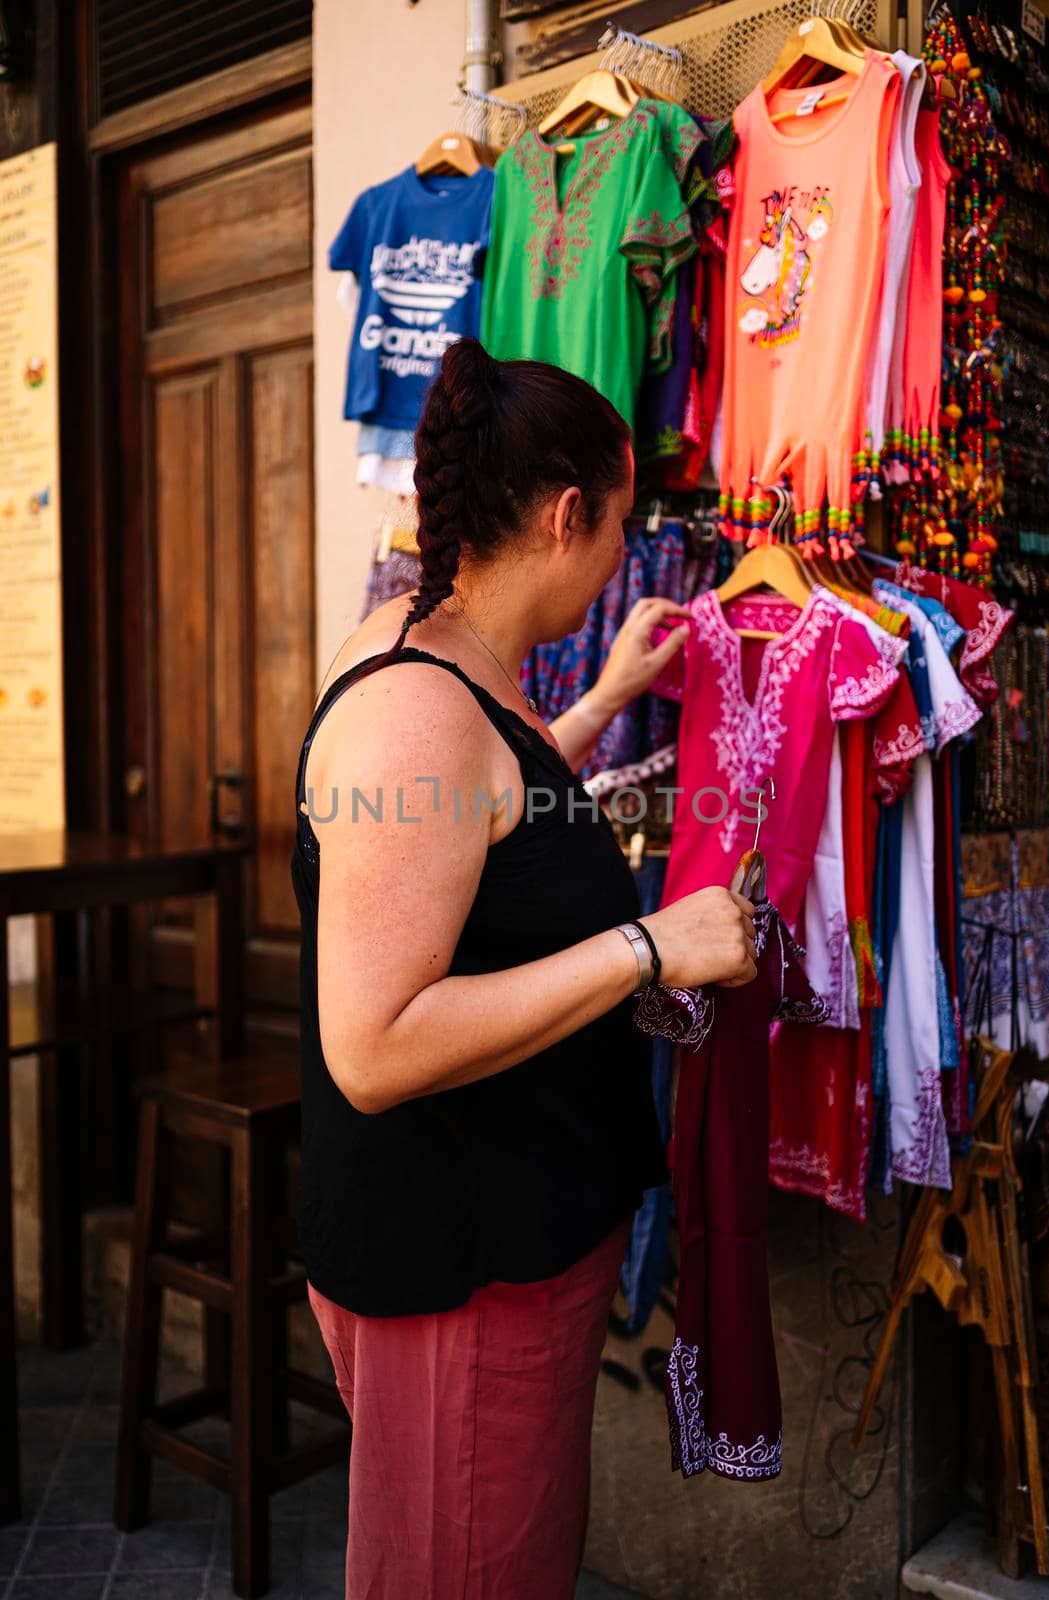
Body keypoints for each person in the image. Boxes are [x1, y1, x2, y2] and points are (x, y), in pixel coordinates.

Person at [290, 338, 756, 1600]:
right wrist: (644, 947)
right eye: (618, 524)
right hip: (460, 1265)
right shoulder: (409, 702)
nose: (621, 551)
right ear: (563, 515)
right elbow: (375, 1046)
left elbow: (465, 825)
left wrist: (596, 705)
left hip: (505, 1250)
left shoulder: (439, 649)